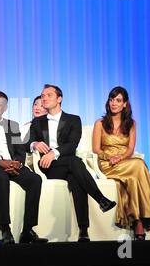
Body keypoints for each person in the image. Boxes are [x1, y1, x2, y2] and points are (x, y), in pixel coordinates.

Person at [27, 84, 116, 242]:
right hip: (47, 167)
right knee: (75, 163)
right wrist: (34, 144)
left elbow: (72, 144)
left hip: (64, 161)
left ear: (59, 99)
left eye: (48, 95)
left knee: (76, 178)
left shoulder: (73, 119)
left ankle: (83, 230)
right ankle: (100, 199)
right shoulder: (37, 122)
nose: (44, 98)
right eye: (42, 96)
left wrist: (53, 153)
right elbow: (25, 144)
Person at [0, 91, 48, 245]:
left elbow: (20, 151)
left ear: (5, 108)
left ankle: (27, 231)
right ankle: (5, 229)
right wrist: (0, 162)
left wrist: (17, 163)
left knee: (35, 179)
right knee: (1, 178)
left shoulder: (13, 125)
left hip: (12, 163)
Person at [92, 86, 150, 240]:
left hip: (124, 161)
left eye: (118, 100)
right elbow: (96, 149)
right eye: (112, 99)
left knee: (136, 171)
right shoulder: (100, 123)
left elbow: (130, 149)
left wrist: (120, 157)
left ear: (125, 104)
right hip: (107, 164)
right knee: (139, 165)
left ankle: (138, 221)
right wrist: (109, 157)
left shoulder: (131, 124)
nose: (114, 103)